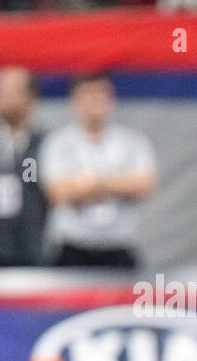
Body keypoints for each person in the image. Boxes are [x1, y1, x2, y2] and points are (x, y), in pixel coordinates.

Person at [39, 73, 156, 268]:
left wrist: (93, 183)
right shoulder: (57, 143)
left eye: (100, 94)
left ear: (111, 99)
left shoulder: (133, 141)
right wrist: (119, 184)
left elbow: (144, 185)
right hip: (72, 247)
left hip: (119, 245)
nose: (94, 101)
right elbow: (56, 192)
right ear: (74, 100)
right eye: (88, 94)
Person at [0, 66, 47, 267]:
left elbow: (38, 186)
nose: (3, 99)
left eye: (11, 92)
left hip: (29, 250)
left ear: (32, 97)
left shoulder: (43, 144)